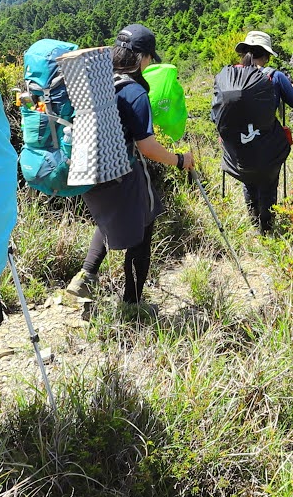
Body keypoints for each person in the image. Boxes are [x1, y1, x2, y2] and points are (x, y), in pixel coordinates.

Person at [62, 23, 200, 319]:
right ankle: (133, 303)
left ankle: (85, 276)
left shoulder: (98, 81)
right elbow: (148, 147)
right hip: (122, 170)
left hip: (89, 170)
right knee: (143, 228)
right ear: (142, 57)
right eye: (150, 57)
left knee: (109, 215)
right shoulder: (135, 91)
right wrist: (179, 160)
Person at [211, 30, 293, 234]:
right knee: (267, 183)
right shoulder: (274, 76)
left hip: (238, 150)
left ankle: (254, 223)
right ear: (266, 56)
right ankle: (267, 230)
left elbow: (215, 115)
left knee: (248, 181)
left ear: (243, 53)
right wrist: (289, 86)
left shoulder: (228, 77)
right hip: (267, 149)